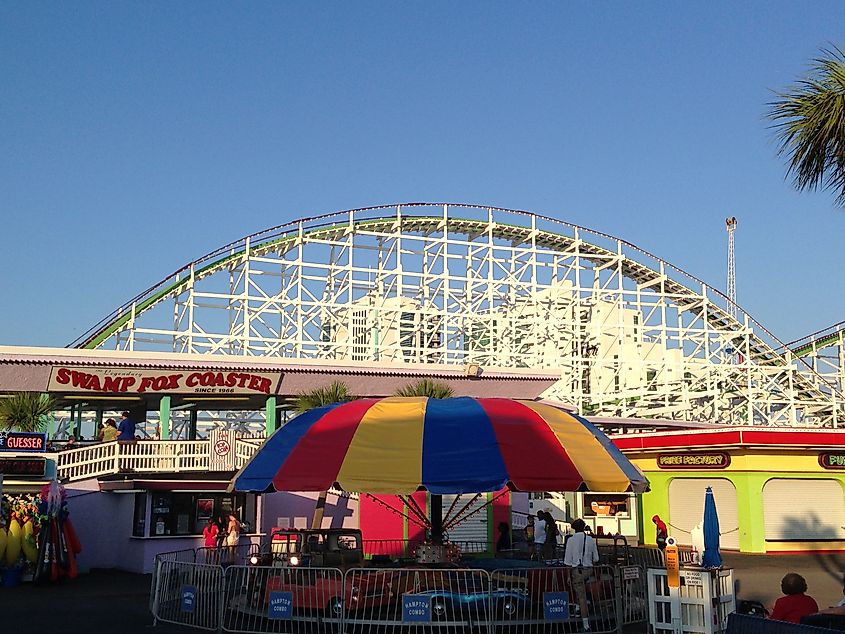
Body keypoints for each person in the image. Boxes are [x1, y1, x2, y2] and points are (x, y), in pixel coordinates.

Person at [564, 518, 600, 632]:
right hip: (588, 570)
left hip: (577, 571)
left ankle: (585, 625)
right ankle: (581, 607)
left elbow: (568, 561)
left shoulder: (571, 540)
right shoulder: (590, 540)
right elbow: (596, 558)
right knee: (583, 593)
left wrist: (568, 576)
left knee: (581, 596)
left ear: (574, 528)